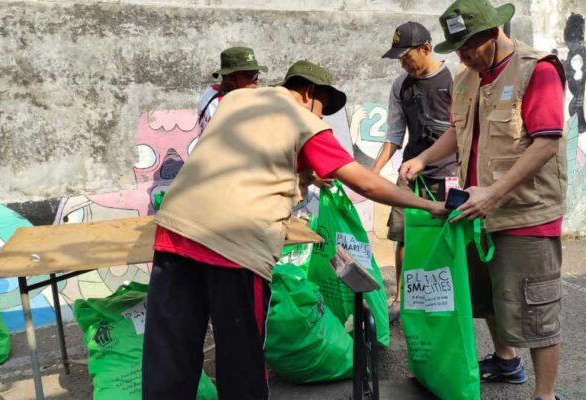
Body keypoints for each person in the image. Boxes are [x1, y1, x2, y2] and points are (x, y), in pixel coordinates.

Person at [142, 60, 449, 400]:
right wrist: (429, 205)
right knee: (241, 358)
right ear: (308, 92)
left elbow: (251, 156)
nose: (322, 118)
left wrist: (303, 175)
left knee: (171, 353)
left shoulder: (236, 100)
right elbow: (366, 183)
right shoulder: (303, 121)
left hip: (174, 231)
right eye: (322, 108)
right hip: (235, 246)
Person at [399, 1, 566, 399]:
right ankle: (507, 362)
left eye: (468, 46)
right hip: (478, 210)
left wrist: (493, 193)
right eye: (456, 48)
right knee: (489, 296)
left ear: (493, 34)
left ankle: (545, 395)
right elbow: (458, 131)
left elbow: (546, 143)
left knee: (538, 312)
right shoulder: (467, 75)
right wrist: (422, 158)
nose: (462, 56)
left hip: (525, 214)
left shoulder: (537, 70)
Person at [373, 21, 458, 323]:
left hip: (449, 173)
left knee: (447, 237)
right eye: (398, 58)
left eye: (406, 56)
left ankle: (445, 298)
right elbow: (394, 133)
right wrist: (374, 172)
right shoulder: (401, 85)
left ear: (426, 48)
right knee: (403, 235)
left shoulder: (455, 77)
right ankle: (401, 298)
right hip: (410, 174)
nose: (402, 64)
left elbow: (464, 130)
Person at [197, 46, 267, 135]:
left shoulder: (209, 92)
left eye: (257, 74)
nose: (256, 80)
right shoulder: (228, 105)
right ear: (230, 76)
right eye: (250, 75)